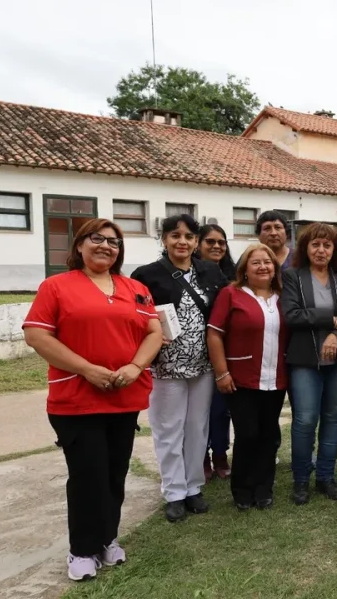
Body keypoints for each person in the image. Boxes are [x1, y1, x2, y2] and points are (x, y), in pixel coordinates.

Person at [23, 219, 163, 581]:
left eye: (114, 242)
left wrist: (135, 366)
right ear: (80, 245)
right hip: (77, 399)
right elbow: (37, 335)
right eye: (97, 238)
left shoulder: (135, 289)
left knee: (115, 473)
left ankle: (107, 538)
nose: (106, 246)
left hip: (123, 397)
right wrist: (86, 369)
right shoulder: (57, 286)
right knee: (88, 475)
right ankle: (83, 550)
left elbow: (154, 332)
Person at [131, 214, 229, 523]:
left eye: (188, 236)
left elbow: (223, 311)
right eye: (175, 236)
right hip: (166, 366)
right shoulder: (146, 275)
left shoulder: (210, 271)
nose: (182, 242)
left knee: (197, 428)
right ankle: (174, 492)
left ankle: (193, 487)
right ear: (164, 239)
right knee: (168, 429)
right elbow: (134, 317)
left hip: (203, 365)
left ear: (196, 241)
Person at [281, 223, 337, 504]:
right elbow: (292, 315)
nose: (321, 250)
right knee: (305, 420)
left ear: (335, 249)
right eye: (315, 244)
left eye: (327, 245)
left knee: (332, 417)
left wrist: (335, 334)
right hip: (305, 360)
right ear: (305, 248)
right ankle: (301, 480)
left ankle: (326, 478)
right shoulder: (292, 276)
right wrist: (331, 319)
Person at [206, 244, 288, 510]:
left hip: (275, 378)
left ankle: (264, 488)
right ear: (244, 269)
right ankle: (242, 489)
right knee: (247, 434)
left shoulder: (283, 296)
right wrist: (221, 372)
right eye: (256, 262)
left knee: (269, 435)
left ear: (275, 268)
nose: (263, 267)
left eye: (268, 262)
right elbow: (214, 333)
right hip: (241, 378)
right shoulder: (231, 294)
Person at [196, 223, 236, 483]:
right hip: (196, 352)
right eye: (210, 241)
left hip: (226, 351)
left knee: (221, 409)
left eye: (221, 242)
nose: (216, 246)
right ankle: (200, 456)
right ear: (198, 245)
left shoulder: (233, 276)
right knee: (199, 410)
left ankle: (220, 454)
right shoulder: (189, 275)